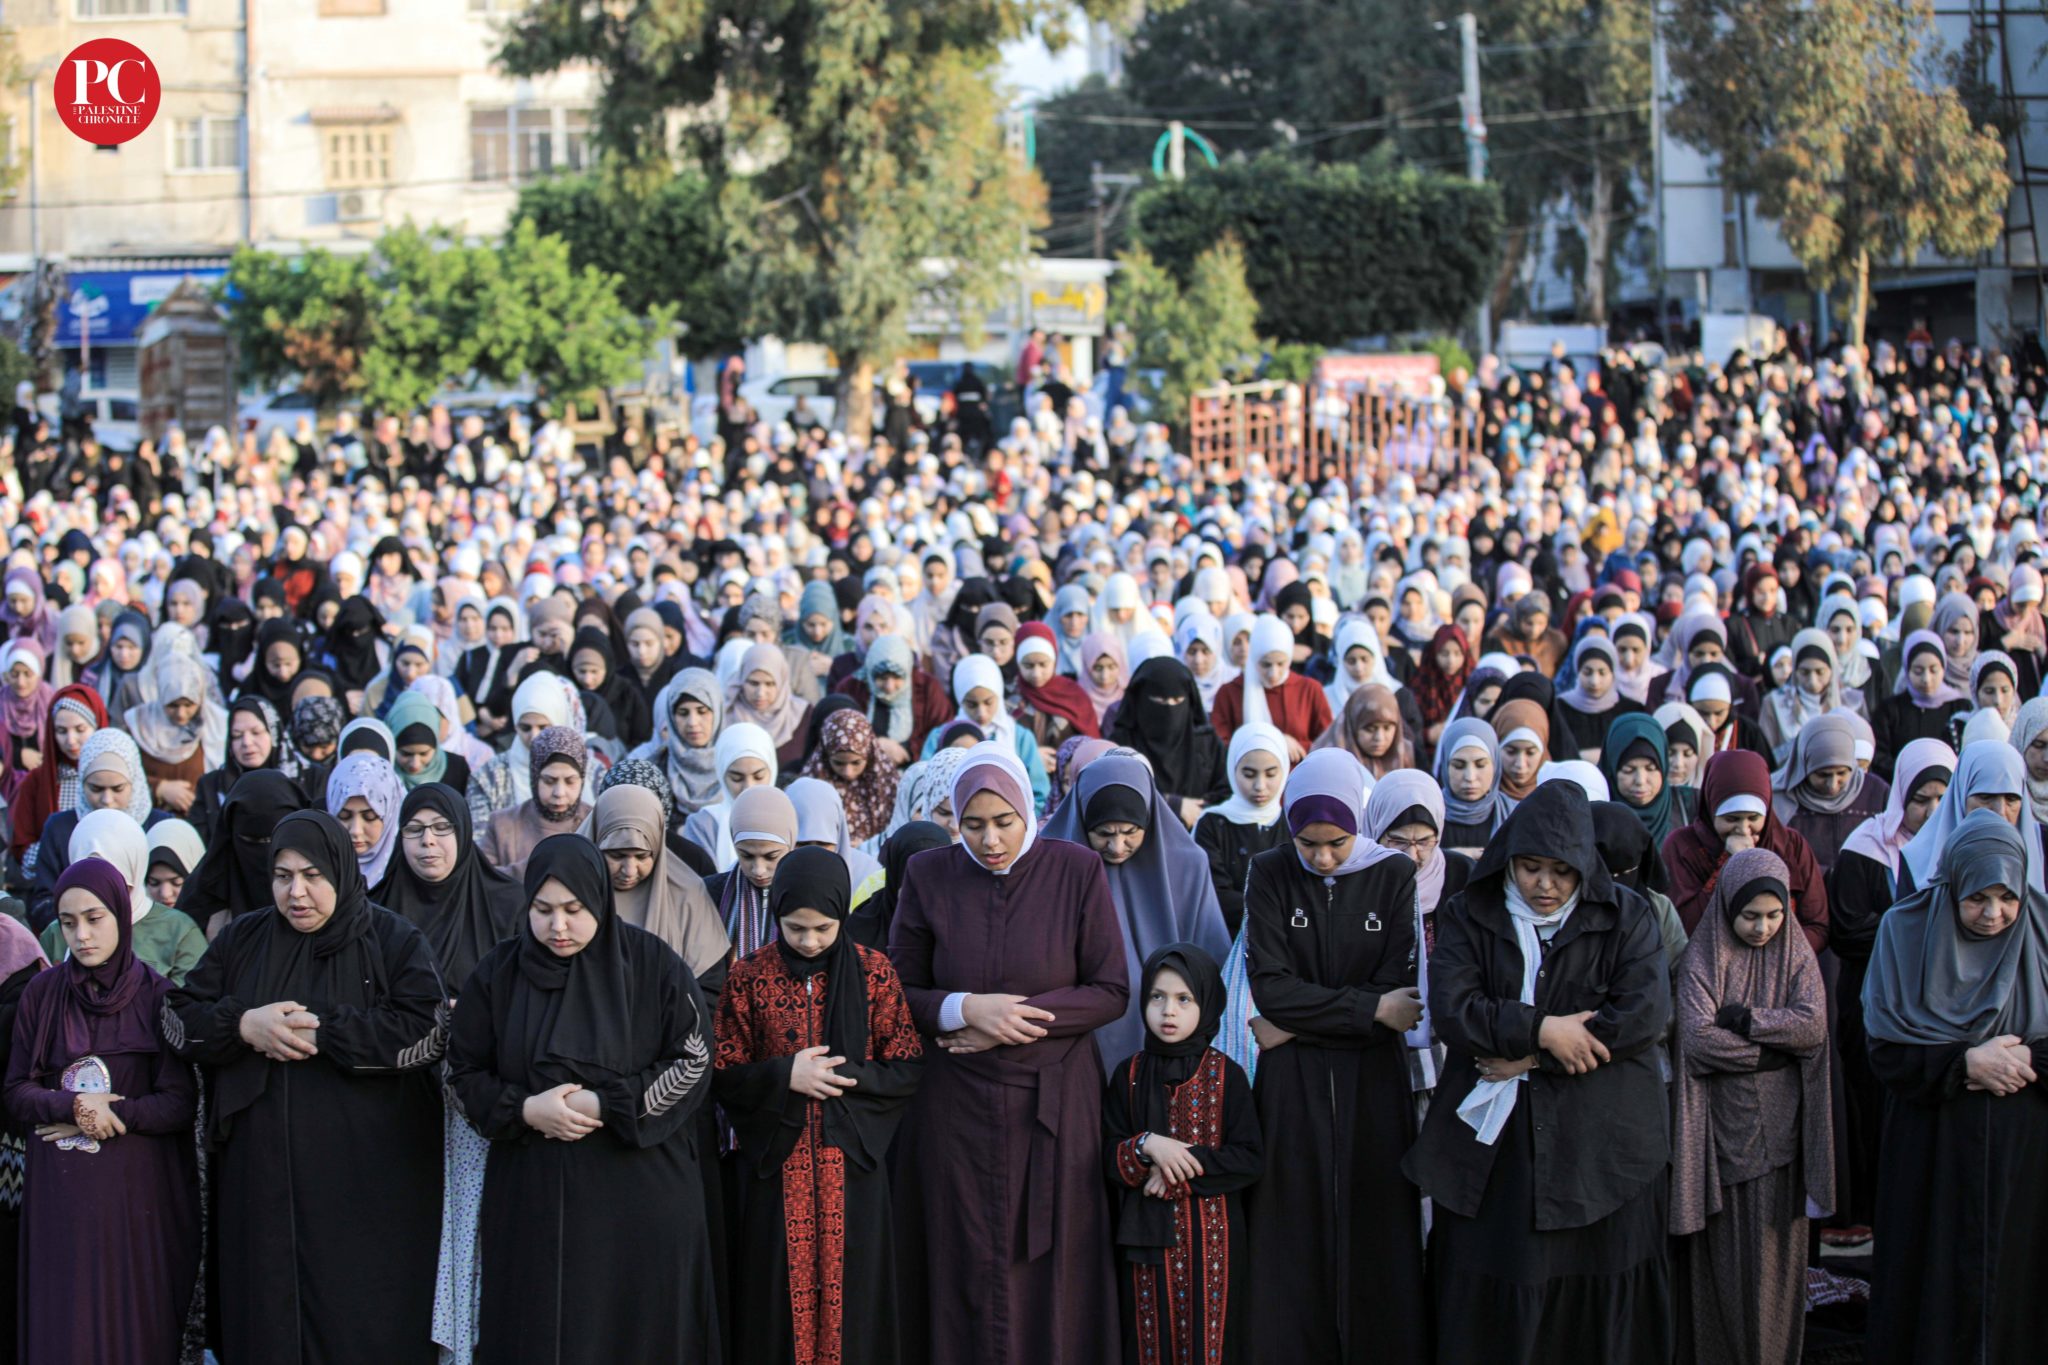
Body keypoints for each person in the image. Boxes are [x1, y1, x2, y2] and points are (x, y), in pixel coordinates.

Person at [1404, 781, 1674, 1361]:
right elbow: (1454, 1009)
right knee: (1503, 1283)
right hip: (1499, 1154)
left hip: (1605, 1145)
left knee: (1597, 1295)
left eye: (1561, 870)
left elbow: (1644, 1015)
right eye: (1529, 868)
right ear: (1508, 860)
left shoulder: (1627, 915)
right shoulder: (1469, 913)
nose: (1545, 885)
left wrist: (1530, 1055)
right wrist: (1544, 1028)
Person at [164, 809, 447, 1363]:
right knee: (267, 1320)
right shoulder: (244, 938)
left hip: (367, 1186)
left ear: (341, 872)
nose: (297, 892)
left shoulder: (390, 939)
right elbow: (178, 1017)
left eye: (313, 875)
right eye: (283, 875)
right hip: (261, 1183)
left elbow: (429, 1031)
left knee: (360, 1324)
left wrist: (324, 1029)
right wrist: (243, 1025)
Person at [886, 742, 1129, 1364]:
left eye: (1004, 822)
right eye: (972, 824)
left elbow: (1110, 989)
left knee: (1052, 1268)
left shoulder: (1075, 870)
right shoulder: (929, 874)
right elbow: (897, 988)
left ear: (1029, 810)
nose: (990, 840)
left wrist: (1009, 1021)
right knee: (961, 1257)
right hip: (955, 1108)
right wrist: (964, 1008)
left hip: (1053, 1108)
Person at [446, 834, 721, 1365]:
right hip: (535, 1204)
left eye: (574, 909)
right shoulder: (498, 976)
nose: (558, 926)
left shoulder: (652, 966)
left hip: (639, 1202)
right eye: (543, 910)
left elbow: (693, 1060)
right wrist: (525, 1109)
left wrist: (608, 1103)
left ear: (598, 899)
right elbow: (462, 1074)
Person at [1241, 746, 1427, 1363]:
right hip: (1291, 1086)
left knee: (1376, 1218)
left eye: (1337, 843)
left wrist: (1294, 1026)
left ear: (1361, 825)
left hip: (1373, 1080)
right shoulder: (1269, 871)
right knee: (1292, 1221)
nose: (1322, 858)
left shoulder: (1394, 874)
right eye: (1308, 844)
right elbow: (1271, 988)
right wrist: (1367, 1011)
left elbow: (1400, 999)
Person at [714, 846, 925, 1365]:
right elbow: (723, 1071)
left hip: (851, 1169)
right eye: (795, 927)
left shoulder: (874, 973)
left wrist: (840, 1076)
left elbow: (905, 1065)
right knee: (774, 1298)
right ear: (776, 915)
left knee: (855, 1297)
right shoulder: (748, 976)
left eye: (823, 929)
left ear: (842, 917)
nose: (809, 941)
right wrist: (786, 1074)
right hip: (774, 1171)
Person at [1862, 810, 2048, 1364]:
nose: (1993, 915)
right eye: (1977, 898)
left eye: (2005, 898)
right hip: (1932, 1151)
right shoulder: (1905, 929)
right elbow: (1885, 1050)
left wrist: (2022, 1057)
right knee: (1932, 1287)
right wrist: (1964, 1063)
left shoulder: (2041, 930)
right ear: (1954, 883)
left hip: (2025, 1160)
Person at [3, 857, 199, 1365]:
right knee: (64, 1329)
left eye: (95, 918)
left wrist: (110, 1116)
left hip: (135, 1198)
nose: (82, 936)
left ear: (119, 913)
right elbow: (18, 1090)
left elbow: (179, 1103)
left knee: (132, 1325)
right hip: (61, 1198)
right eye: (68, 923)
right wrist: (70, 1105)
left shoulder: (159, 997)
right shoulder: (42, 995)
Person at [1669, 849, 1833, 1365]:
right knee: (1725, 1258)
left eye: (1774, 914)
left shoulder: (1796, 954)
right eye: (1750, 915)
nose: (1763, 927)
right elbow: (1696, 1040)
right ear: (1727, 909)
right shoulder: (1704, 955)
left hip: (1784, 1137)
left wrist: (1749, 1021)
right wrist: (1770, 1052)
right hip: (1721, 1137)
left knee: (1778, 1256)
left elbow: (1812, 1026)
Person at [1100, 943, 1264, 1365]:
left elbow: (1248, 1158)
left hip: (1214, 1245)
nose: (1167, 1011)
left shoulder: (1228, 1075)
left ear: (1207, 1003)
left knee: (1210, 1345)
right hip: (1144, 1247)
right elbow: (1107, 1154)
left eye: (1183, 999)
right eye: (1157, 997)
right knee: (1148, 1343)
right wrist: (1147, 1145)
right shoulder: (1129, 1074)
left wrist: (1176, 1168)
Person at [1042, 751, 1232, 1071]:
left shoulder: (1186, 865)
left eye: (1131, 832)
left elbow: (1212, 962)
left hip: (1172, 1043)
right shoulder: (1052, 865)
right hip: (1076, 1040)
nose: (1117, 847)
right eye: (1103, 833)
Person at [1661, 750, 1830, 955]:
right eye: (1731, 819)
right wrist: (1728, 862)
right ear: (1711, 810)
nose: (1743, 829)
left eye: (1753, 818)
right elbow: (1683, 926)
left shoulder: (1790, 846)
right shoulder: (1683, 847)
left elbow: (1817, 925)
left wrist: (1773, 960)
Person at [1193, 722, 1291, 938]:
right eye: (1248, 774)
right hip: (1224, 938)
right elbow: (1214, 893)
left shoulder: (1292, 822)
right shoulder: (1212, 823)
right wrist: (1273, 911)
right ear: (1232, 769)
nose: (1260, 786)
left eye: (1271, 774)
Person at [1108, 657, 1226, 824]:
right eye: (1160, 701)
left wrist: (1200, 810)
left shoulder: (1206, 743)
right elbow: (1117, 793)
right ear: (1139, 700)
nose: (1170, 711)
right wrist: (1172, 804)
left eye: (1177, 701)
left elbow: (1227, 790)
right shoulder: (1121, 745)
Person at [1768, 712, 1887, 872]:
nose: (1832, 785)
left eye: (1842, 773)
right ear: (1804, 766)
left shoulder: (1876, 792)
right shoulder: (1779, 798)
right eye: (1822, 775)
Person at [1210, 615, 1333, 758]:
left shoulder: (1309, 690)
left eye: (1281, 664)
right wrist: (1275, 742)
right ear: (1254, 658)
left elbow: (1327, 742)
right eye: (1265, 664)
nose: (1273, 673)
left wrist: (1299, 747)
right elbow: (1220, 745)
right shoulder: (1230, 692)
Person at [478, 726, 591, 877]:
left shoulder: (594, 822)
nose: (559, 793)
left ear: (582, 780)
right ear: (534, 777)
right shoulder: (502, 824)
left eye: (570, 781)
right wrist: (539, 865)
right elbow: (484, 880)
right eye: (549, 781)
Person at [1436, 716, 1512, 855]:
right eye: (1458, 766)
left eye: (1480, 765)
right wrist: (1447, 859)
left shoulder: (1514, 814)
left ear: (1495, 765)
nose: (1470, 777)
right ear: (1445, 767)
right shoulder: (1429, 813)